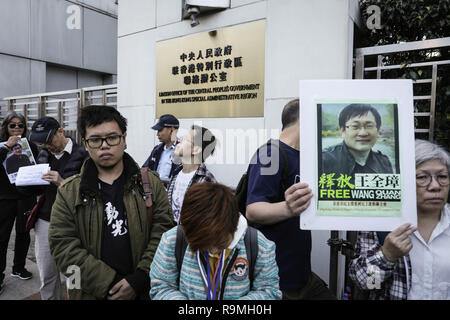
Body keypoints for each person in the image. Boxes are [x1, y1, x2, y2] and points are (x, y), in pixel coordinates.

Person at [48, 105, 174, 300]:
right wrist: (109, 282)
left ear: (124, 138)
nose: (104, 145)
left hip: (144, 290)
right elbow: (63, 247)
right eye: (95, 140)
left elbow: (164, 232)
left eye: (112, 138)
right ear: (85, 143)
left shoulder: (150, 183)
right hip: (91, 293)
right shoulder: (69, 192)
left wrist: (139, 278)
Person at [245, 99, 335, 300]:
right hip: (276, 279)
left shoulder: (306, 157)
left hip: (302, 276)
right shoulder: (270, 154)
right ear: (304, 120)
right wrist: (288, 208)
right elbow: (253, 209)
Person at [348, 139, 450, 300]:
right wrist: (386, 255)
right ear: (402, 180)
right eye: (422, 177)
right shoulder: (381, 224)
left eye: (442, 176)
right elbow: (367, 283)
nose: (435, 186)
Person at [150, 182, 282, 300]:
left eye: (220, 244)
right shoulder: (172, 240)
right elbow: (161, 287)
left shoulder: (260, 246)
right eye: (204, 245)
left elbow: (270, 291)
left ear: (233, 226)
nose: (212, 250)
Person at [27, 116, 89, 300]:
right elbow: (37, 190)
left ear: (60, 131)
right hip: (45, 220)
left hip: (74, 221)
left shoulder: (83, 154)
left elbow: (88, 192)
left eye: (49, 139)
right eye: (42, 142)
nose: (46, 145)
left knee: (74, 273)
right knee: (47, 272)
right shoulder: (43, 155)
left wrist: (61, 182)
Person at [0, 112, 38, 295]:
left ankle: (19, 267)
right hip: (4, 199)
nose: (16, 128)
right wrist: (7, 146)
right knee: (2, 237)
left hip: (25, 196)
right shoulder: (2, 146)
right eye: (12, 125)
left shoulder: (29, 145)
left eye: (20, 125)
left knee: (24, 234)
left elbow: (36, 165)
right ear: (6, 127)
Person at [321, 104, 394, 177]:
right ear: (342, 131)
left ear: (378, 130)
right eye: (355, 126)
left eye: (369, 126)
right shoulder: (324, 160)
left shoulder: (383, 161)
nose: (363, 133)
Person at [167, 125, 217, 224]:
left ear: (196, 150)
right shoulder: (176, 173)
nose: (179, 140)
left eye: (185, 139)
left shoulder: (206, 181)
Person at [142, 114, 180, 185]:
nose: (157, 134)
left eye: (160, 130)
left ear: (172, 130)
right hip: (155, 193)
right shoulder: (156, 150)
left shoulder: (184, 151)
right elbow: (144, 169)